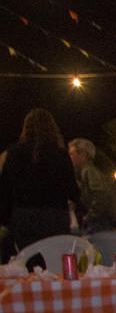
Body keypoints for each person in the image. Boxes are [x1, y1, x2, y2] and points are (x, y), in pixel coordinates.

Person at [0, 108, 79, 259]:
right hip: (55, 218)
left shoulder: (14, 154)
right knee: (54, 261)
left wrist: (6, 220)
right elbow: (73, 190)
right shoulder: (61, 155)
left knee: (28, 260)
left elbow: (5, 190)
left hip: (25, 218)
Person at [68, 137, 116, 234]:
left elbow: (100, 196)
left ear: (83, 154)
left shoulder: (89, 172)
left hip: (100, 220)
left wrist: (90, 216)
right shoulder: (87, 172)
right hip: (102, 219)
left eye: (72, 154)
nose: (70, 157)